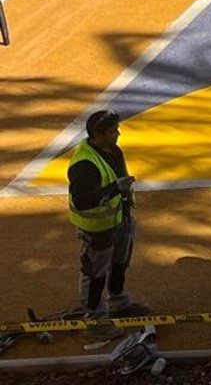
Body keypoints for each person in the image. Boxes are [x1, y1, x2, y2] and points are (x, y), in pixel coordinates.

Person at [67, 109, 148, 333]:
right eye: (113, 131)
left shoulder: (113, 150)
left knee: (120, 263)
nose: (118, 134)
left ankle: (118, 303)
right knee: (95, 273)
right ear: (97, 134)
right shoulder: (84, 164)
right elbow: (83, 201)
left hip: (121, 218)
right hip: (97, 230)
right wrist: (115, 188)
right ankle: (95, 320)